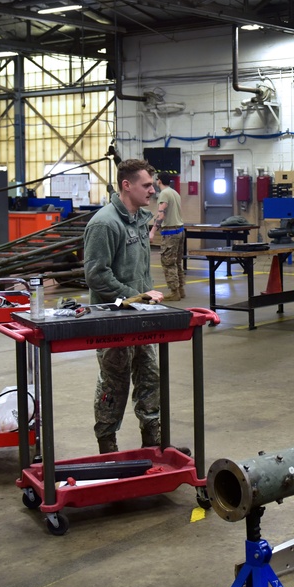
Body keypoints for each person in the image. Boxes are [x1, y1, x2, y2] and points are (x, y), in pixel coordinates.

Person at [83, 159, 166, 454]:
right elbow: (97, 276)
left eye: (153, 184)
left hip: (140, 317)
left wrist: (144, 300)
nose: (153, 190)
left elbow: (140, 271)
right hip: (113, 318)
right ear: (126, 185)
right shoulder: (105, 223)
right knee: (113, 384)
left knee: (150, 377)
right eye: (146, 185)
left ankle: (152, 442)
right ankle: (107, 446)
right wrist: (136, 297)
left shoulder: (140, 220)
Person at [148, 172, 185, 302]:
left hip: (170, 232)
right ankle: (180, 289)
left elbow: (161, 215)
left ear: (159, 181)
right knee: (177, 262)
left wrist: (152, 231)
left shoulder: (164, 194)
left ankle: (174, 292)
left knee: (168, 263)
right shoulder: (175, 193)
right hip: (180, 230)